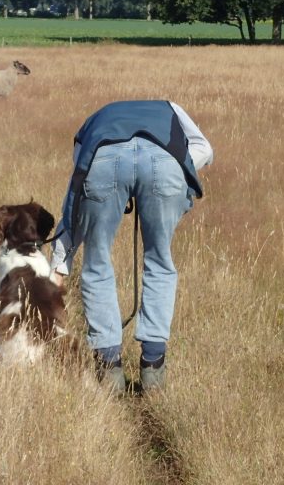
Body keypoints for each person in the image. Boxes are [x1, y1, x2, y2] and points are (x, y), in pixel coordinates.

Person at [49, 100, 213, 394]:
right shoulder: (171, 108)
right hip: (165, 163)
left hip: (103, 160)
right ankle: (153, 367)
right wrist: (178, 168)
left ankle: (109, 368)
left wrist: (59, 266)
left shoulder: (91, 125)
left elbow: (74, 200)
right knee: (160, 261)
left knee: (96, 262)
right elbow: (204, 149)